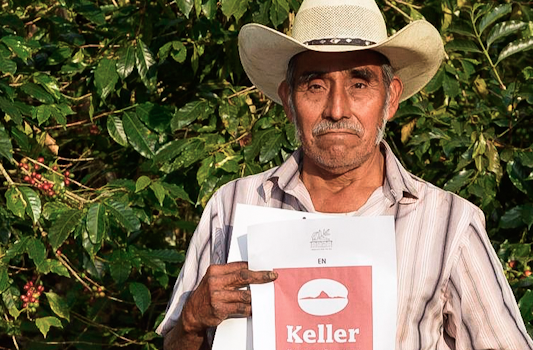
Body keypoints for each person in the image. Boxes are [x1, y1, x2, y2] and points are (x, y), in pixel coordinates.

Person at [157, 0, 533, 349]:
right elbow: (176, 340)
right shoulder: (232, 207)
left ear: (391, 98)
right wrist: (191, 322)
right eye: (315, 85)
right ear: (288, 100)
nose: (337, 109)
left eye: (359, 83)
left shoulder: (450, 222)